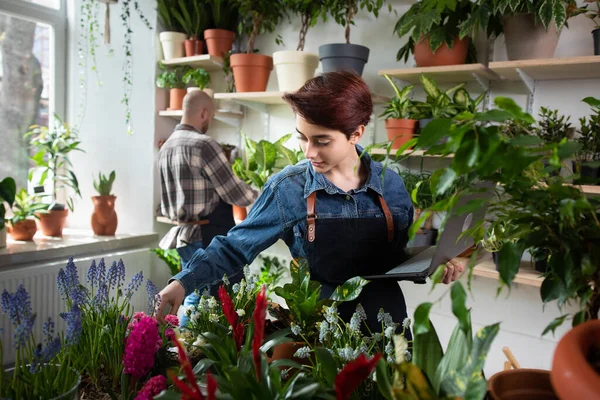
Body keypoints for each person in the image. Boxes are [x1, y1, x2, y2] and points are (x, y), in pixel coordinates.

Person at [156, 72, 463, 334]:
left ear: (356, 133)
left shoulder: (392, 186)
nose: (308, 151)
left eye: (322, 141)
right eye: (302, 137)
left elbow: (398, 256)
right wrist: (183, 282)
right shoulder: (289, 188)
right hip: (319, 329)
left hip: (386, 325)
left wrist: (435, 263)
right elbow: (234, 247)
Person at [157, 90, 258, 326]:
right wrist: (262, 194)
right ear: (204, 113)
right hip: (207, 235)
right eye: (210, 115)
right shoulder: (203, 145)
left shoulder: (166, 147)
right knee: (214, 302)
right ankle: (197, 356)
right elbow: (234, 192)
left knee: (192, 294)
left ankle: (185, 355)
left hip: (183, 235)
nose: (209, 121)